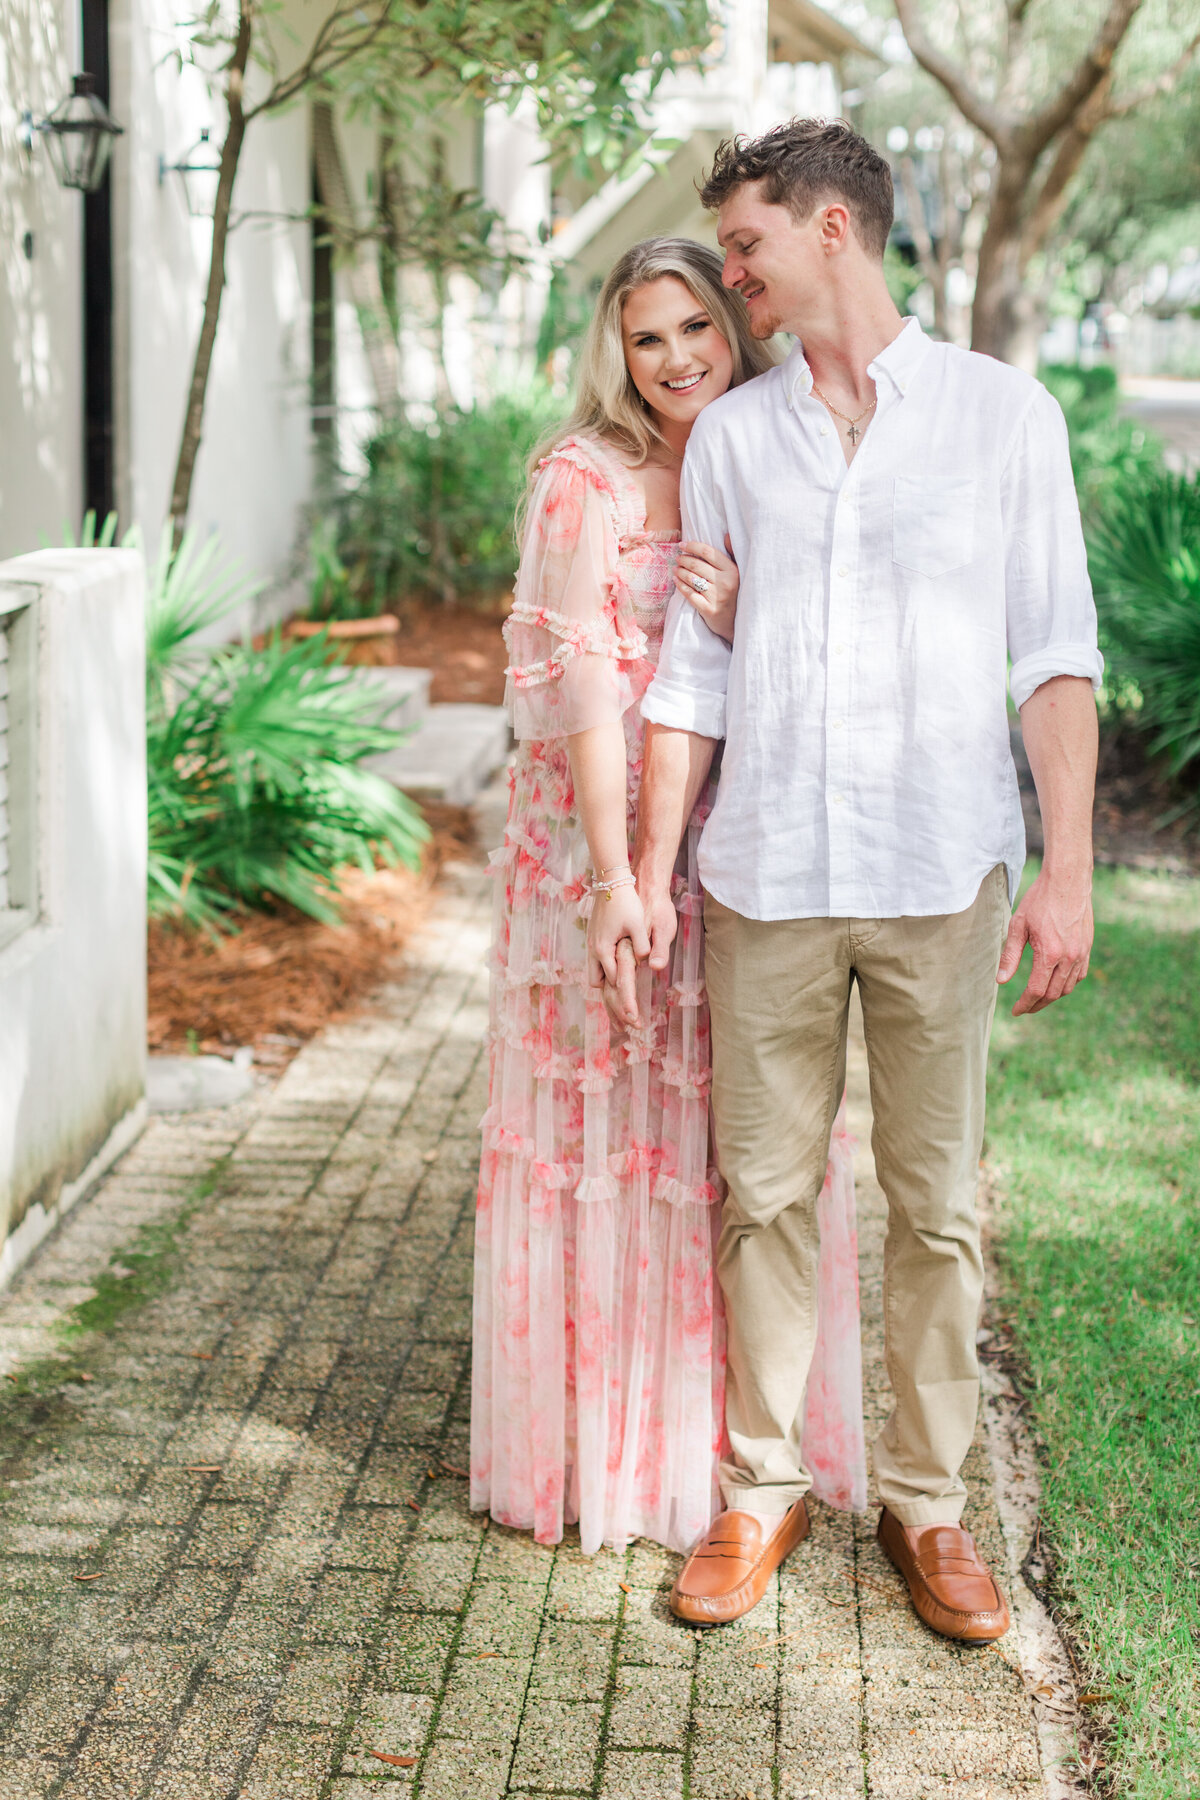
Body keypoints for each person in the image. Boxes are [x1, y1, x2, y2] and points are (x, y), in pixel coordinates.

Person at [598, 121, 1101, 1636]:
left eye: (742, 248)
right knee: (761, 1193)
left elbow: (1055, 651)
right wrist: (644, 862)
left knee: (936, 1205)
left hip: (942, 867)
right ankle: (762, 1493)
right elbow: (696, 667)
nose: (728, 276)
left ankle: (930, 1508)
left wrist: (1064, 872)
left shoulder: (1005, 418)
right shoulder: (738, 438)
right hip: (769, 871)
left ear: (831, 230)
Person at [470, 237, 867, 1558]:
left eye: (698, 325)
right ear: (616, 351)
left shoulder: (767, 453)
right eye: (649, 338)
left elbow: (830, 651)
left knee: (733, 1147)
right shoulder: (585, 482)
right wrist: (608, 876)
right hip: (600, 847)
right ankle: (606, 1455)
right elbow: (582, 693)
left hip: (737, 836)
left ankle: (738, 1459)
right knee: (609, 1128)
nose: (679, 357)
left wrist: (758, 612)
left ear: (733, 327)